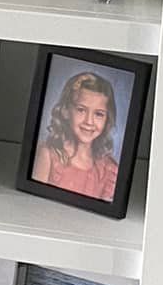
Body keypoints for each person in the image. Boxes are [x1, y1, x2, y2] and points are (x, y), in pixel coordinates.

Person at [32, 69, 120, 203]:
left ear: (107, 119)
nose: (89, 122)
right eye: (81, 110)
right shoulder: (48, 155)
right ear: (66, 111)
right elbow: (34, 204)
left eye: (99, 114)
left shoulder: (109, 170)